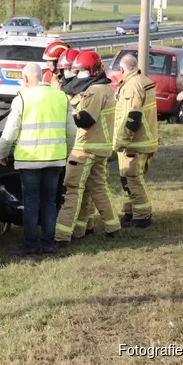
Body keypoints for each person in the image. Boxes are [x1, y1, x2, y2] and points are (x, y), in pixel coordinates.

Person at [0, 63, 77, 256]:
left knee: (31, 201)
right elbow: (71, 131)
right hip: (55, 158)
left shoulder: (22, 98)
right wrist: (66, 152)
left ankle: (31, 245)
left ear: (25, 79)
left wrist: (2, 153)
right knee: (50, 201)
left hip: (29, 159)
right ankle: (49, 243)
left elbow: (10, 132)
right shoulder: (61, 97)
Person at [55, 50, 121, 247]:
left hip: (85, 148)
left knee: (73, 190)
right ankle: (112, 227)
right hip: (101, 147)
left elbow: (86, 119)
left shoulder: (94, 92)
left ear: (93, 70)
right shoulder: (106, 88)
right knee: (99, 188)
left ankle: (61, 236)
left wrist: (69, 113)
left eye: (82, 71)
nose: (79, 74)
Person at [113, 54, 158, 228]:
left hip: (134, 143)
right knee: (129, 179)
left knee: (133, 178)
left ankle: (142, 216)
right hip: (145, 139)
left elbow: (132, 117)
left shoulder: (131, 86)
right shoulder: (142, 80)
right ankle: (130, 211)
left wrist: (122, 141)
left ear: (122, 69)